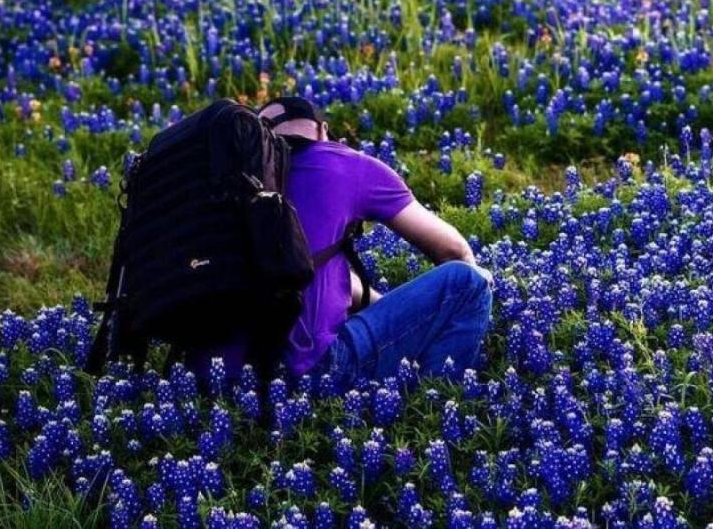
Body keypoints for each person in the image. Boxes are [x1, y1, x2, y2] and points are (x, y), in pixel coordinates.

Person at [195, 96, 493, 388]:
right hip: (312, 372)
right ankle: (434, 397)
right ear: (323, 130)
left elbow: (297, 269)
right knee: (469, 283)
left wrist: (387, 309)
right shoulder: (345, 164)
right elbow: (453, 249)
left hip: (215, 375)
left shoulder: (230, 180)